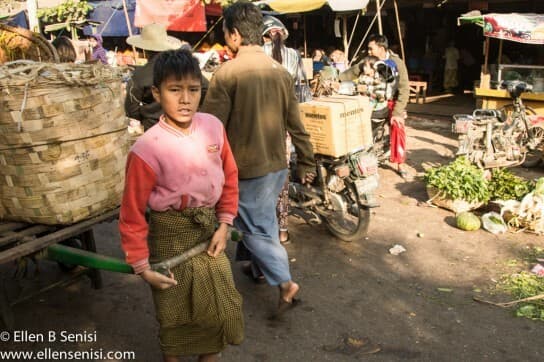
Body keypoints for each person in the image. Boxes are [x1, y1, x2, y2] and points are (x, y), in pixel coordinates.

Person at [119, 48, 243, 362]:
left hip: (209, 235)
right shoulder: (146, 149)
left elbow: (229, 175)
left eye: (193, 89)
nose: (185, 99)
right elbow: (132, 213)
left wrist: (225, 224)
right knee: (174, 319)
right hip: (169, 240)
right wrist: (143, 267)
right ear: (157, 93)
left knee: (217, 313)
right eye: (175, 90)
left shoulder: (213, 127)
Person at [201, 1, 315, 314]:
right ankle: (255, 267)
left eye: (225, 31)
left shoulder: (226, 74)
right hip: (276, 166)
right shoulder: (280, 72)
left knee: (256, 229)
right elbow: (297, 125)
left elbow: (210, 129)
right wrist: (306, 161)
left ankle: (284, 281)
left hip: (246, 169)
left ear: (234, 35)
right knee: (259, 220)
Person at [339, 34, 410, 179]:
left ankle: (400, 163)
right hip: (371, 101)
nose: (369, 51)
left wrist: (397, 112)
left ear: (381, 48)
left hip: (392, 102)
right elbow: (352, 72)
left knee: (398, 127)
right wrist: (336, 79)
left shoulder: (395, 62)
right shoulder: (368, 59)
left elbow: (404, 88)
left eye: (371, 49)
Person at [262, 15, 304, 245]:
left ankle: (264, 229)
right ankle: (283, 231)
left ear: (265, 35)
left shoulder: (258, 52)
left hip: (261, 126)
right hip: (285, 126)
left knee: (261, 179)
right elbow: (300, 90)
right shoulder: (294, 55)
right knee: (282, 180)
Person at [124, 23, 209, 131]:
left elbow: (131, 108)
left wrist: (148, 113)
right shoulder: (183, 67)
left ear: (144, 49)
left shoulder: (139, 75)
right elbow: (206, 88)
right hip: (184, 125)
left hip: (153, 126)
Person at [357, 55, 398, 120]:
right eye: (364, 66)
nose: (364, 68)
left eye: (366, 66)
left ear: (373, 68)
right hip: (367, 101)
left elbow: (382, 93)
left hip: (378, 105)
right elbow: (361, 82)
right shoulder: (363, 76)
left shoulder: (381, 78)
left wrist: (368, 91)